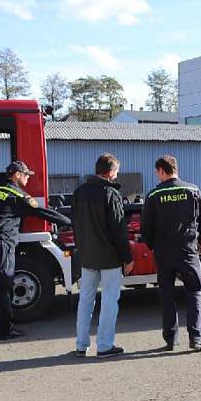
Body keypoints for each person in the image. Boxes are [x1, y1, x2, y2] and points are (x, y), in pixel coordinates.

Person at [0, 161, 71, 340]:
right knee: (3, 286)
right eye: (26, 175)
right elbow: (42, 212)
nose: (28, 178)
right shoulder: (17, 194)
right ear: (17, 175)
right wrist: (68, 221)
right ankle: (6, 330)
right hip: (0, 243)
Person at [142, 155, 201, 351]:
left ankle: (171, 340)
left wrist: (152, 245)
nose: (157, 176)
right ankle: (196, 338)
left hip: (163, 252)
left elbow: (146, 227)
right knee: (195, 291)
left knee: (167, 295)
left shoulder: (153, 195)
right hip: (187, 250)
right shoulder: (192, 190)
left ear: (163, 170)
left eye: (157, 172)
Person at [72, 153, 134, 358]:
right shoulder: (110, 194)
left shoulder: (79, 192)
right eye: (116, 172)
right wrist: (127, 257)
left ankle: (81, 345)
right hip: (109, 258)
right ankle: (105, 345)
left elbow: (75, 225)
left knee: (85, 301)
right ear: (110, 172)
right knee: (109, 301)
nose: (117, 175)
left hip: (87, 256)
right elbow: (119, 230)